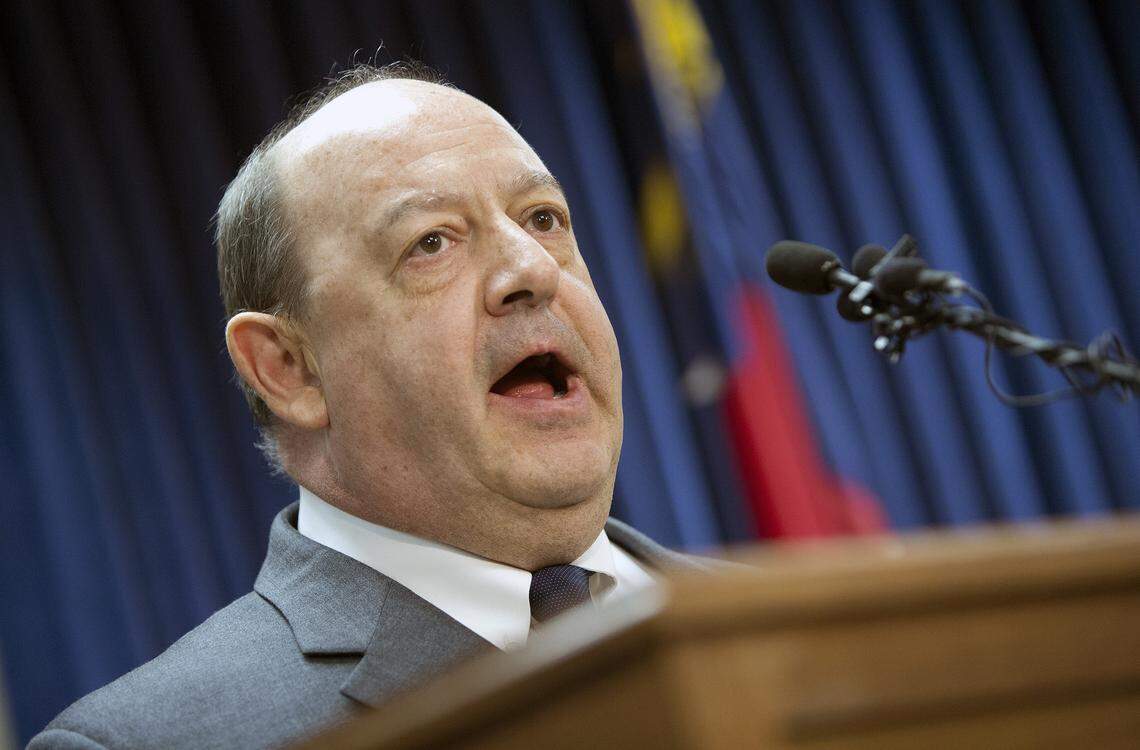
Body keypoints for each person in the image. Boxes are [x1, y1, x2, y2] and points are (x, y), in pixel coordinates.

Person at [29, 62, 707, 749]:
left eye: (543, 219)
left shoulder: (794, 622)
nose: (530, 269)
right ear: (289, 370)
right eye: (431, 244)